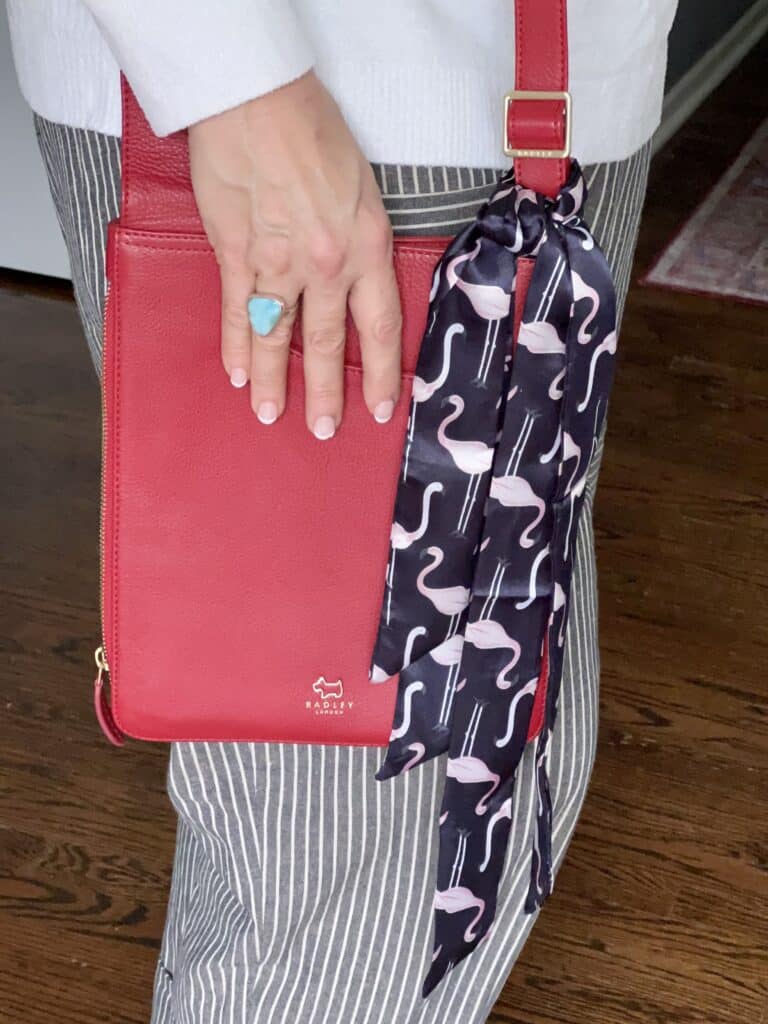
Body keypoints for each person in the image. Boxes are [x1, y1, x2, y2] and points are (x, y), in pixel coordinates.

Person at [7, 1, 678, 1020]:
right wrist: (235, 78)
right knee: (352, 859)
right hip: (341, 105)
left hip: (541, 95)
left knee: (493, 743)